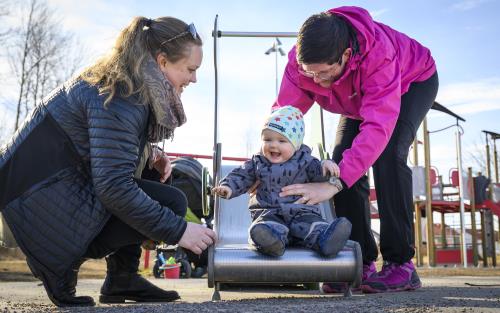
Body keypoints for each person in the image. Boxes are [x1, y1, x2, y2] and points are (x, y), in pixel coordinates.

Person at [0, 16, 216, 307]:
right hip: (31, 204)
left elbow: (93, 146)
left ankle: (122, 278)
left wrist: (149, 153)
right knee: (171, 205)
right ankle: (59, 262)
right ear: (162, 62)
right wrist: (180, 231)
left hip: (46, 190)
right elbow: (113, 187)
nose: (194, 78)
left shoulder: (128, 84)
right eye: (190, 69)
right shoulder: (123, 96)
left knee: (153, 178)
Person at [274, 6, 438, 293]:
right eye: (310, 73)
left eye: (324, 73)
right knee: (339, 163)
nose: (317, 82)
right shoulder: (300, 64)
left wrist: (335, 184)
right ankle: (358, 259)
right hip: (356, 96)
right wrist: (272, 158)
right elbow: (285, 118)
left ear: (346, 56)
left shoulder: (380, 56)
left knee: (387, 157)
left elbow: (377, 128)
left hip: (410, 82)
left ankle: (401, 264)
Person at [212, 106, 351, 258]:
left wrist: (326, 164)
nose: (273, 145)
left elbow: (320, 175)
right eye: (267, 139)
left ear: (296, 144)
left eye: (282, 140)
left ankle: (327, 239)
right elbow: (241, 175)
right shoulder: (257, 162)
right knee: (264, 227)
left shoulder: (307, 161)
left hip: (302, 211)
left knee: (314, 226)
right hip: (269, 212)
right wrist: (227, 187)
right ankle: (270, 243)